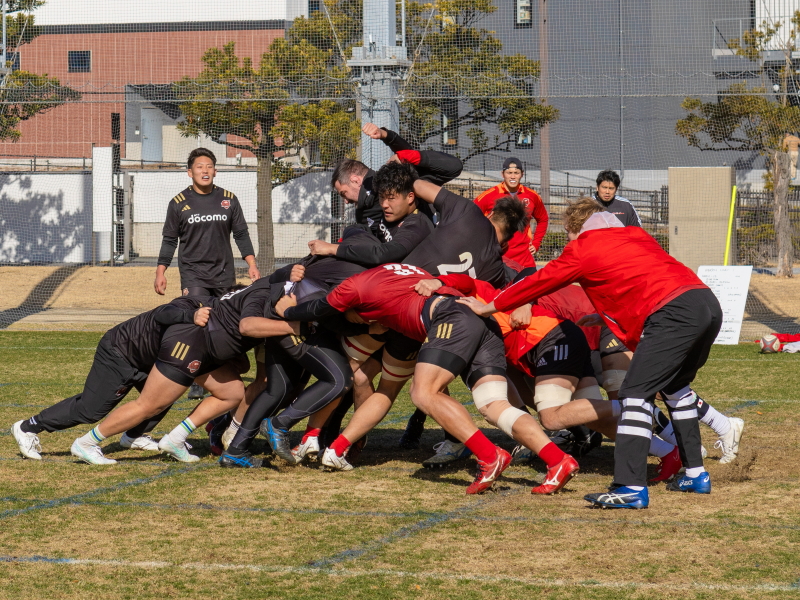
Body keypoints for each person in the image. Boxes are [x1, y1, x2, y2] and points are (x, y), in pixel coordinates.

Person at [460, 198, 723, 509]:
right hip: (705, 302)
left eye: (570, 234)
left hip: (672, 313)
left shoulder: (584, 247)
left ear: (578, 230)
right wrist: (606, 315)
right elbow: (641, 279)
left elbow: (538, 282)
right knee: (676, 390)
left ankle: (630, 486)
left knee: (635, 395)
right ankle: (695, 473)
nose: (570, 240)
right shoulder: (636, 235)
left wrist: (488, 306)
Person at [279, 262, 580, 495]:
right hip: (482, 323)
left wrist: (289, 309)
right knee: (493, 405)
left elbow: (322, 307)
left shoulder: (353, 287)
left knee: (423, 394)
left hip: (450, 318)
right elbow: (464, 281)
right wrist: (441, 281)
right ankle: (557, 460)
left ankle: (490, 456)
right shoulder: (407, 270)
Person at [68, 278, 303, 465]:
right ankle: (87, 443)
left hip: (204, 348)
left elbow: (243, 365)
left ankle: (176, 439)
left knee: (232, 391)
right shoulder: (255, 300)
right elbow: (246, 326)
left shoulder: (240, 302)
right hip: (189, 345)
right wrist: (294, 324)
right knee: (150, 405)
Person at [11, 298, 212, 460]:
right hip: (119, 353)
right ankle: (27, 427)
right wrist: (190, 315)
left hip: (145, 361)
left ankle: (132, 437)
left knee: (163, 397)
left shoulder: (219, 321)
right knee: (90, 410)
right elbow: (162, 313)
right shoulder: (189, 305)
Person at [474, 157, 549, 267]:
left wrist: (536, 242)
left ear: (522, 174)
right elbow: (471, 215)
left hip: (524, 258)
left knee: (530, 283)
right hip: (498, 257)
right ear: (502, 174)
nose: (513, 176)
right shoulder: (490, 195)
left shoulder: (532, 195)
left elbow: (543, 219)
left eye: (516, 173)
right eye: (509, 173)